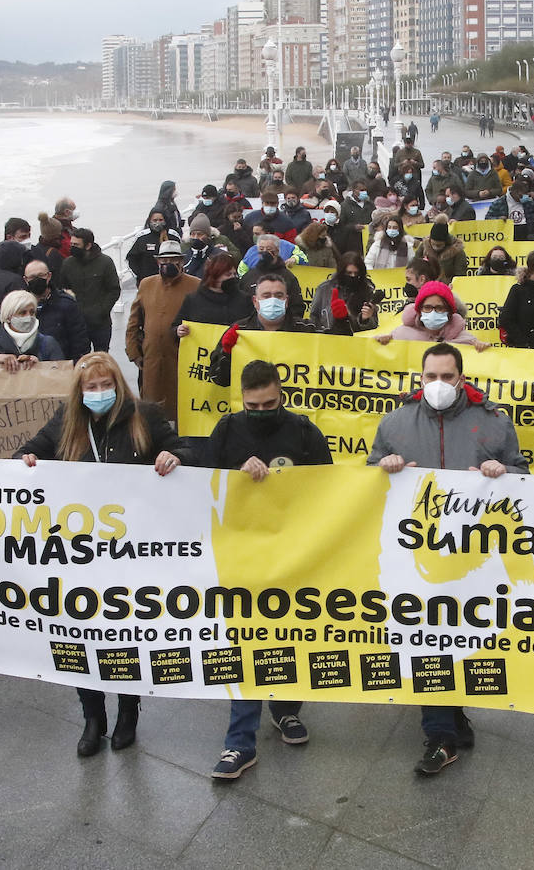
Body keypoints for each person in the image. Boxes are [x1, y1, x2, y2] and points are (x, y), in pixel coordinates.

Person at [367, 342, 529, 774]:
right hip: (417, 555)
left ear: (462, 378)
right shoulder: (396, 423)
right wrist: (386, 466)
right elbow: (368, 480)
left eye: (446, 377)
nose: (438, 385)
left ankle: (453, 714)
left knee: (461, 635)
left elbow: (523, 476)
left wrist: (503, 473)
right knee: (428, 636)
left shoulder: (493, 424)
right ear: (419, 378)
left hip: (473, 557)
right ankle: (440, 734)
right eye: (430, 377)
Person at [17, 353, 188, 753]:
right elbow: (30, 450)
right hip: (82, 554)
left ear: (118, 384)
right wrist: (25, 459)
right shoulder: (67, 421)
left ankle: (128, 710)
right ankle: (92, 716)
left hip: (132, 553)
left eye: (105, 385)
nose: (98, 393)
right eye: (90, 387)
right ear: (80, 392)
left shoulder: (145, 416)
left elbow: (183, 450)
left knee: (124, 632)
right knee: (81, 635)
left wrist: (174, 456)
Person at [206, 360, 332, 780]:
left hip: (293, 554)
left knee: (293, 635)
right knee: (246, 642)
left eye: (270, 403)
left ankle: (285, 710)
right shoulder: (227, 431)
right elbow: (205, 485)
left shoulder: (302, 431)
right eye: (254, 405)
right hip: (243, 555)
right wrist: (236, 478)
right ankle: (239, 741)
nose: (262, 410)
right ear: (241, 399)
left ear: (282, 394)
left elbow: (329, 491)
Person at [126, 241, 199, 414]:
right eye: (164, 260)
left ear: (181, 262)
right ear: (158, 262)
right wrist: (134, 353)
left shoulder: (196, 285)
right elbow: (134, 322)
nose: (168, 264)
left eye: (174, 260)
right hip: (151, 358)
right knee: (151, 407)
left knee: (182, 406)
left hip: (181, 358)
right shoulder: (146, 284)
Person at [208, 272, 314, 385]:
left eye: (278, 296)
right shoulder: (239, 331)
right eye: (266, 296)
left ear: (286, 301)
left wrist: (336, 322)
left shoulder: (306, 330)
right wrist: (227, 354)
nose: (273, 301)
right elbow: (217, 378)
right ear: (255, 301)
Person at [60, 228, 121, 353]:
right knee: (80, 356)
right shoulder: (67, 264)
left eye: (76, 245)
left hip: (100, 323)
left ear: (88, 245)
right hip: (77, 323)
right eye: (71, 244)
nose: (72, 247)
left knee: (102, 357)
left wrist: (102, 311)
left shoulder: (105, 262)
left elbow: (114, 290)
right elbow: (63, 289)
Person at [376, 280, 486, 348]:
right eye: (427, 307)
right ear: (419, 310)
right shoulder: (402, 334)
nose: (433, 312)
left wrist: (481, 347)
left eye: (439, 308)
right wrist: (385, 340)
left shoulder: (464, 339)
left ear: (449, 312)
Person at [24, 259, 91, 361]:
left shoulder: (67, 304)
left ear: (49, 276)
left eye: (41, 275)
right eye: (32, 277)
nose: (37, 280)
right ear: (25, 279)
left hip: (61, 366)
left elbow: (79, 340)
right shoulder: (20, 306)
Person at [174, 251, 253, 337]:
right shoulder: (193, 300)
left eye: (234, 274)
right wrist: (178, 331)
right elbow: (175, 326)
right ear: (215, 275)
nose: (232, 277)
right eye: (228, 274)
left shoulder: (245, 300)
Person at [0, 290, 63, 367]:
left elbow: (62, 377)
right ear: (8, 316)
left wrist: (40, 366)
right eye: (22, 313)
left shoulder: (48, 344)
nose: (28, 317)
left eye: (32, 312)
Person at [311, 252, 380, 335]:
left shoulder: (366, 291)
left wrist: (365, 319)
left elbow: (373, 327)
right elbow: (314, 317)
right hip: (327, 340)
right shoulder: (324, 288)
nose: (353, 276)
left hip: (354, 342)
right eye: (349, 273)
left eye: (356, 273)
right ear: (342, 271)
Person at [0, 218, 37, 303]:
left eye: (29, 236)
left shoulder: (33, 252)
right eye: (23, 237)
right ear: (9, 237)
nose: (27, 240)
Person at [126, 210, 182, 283]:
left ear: (165, 220)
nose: (158, 222)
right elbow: (131, 259)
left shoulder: (173, 236)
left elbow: (181, 256)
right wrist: (139, 276)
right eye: (155, 220)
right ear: (149, 221)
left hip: (172, 280)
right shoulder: (142, 237)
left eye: (160, 220)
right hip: (147, 281)